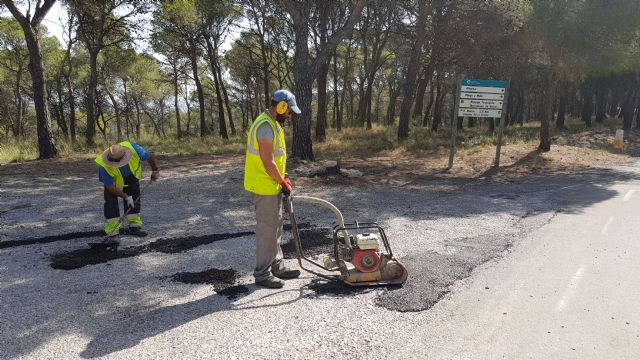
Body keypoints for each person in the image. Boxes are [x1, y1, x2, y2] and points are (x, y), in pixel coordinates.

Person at [244, 89, 302, 288]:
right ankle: (262, 274)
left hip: (272, 183)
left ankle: (277, 266)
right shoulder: (265, 127)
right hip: (264, 186)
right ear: (281, 106)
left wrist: (283, 177)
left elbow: (277, 159)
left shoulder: (273, 124)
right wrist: (282, 181)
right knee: (267, 230)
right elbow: (268, 162)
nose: (289, 115)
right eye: (289, 111)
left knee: (276, 227)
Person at [95, 141, 159, 244]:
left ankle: (135, 226)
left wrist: (155, 170)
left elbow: (149, 156)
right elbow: (109, 186)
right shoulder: (103, 165)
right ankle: (113, 233)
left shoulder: (134, 149)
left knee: (134, 200)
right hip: (114, 183)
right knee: (111, 203)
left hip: (131, 178)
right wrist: (125, 196)